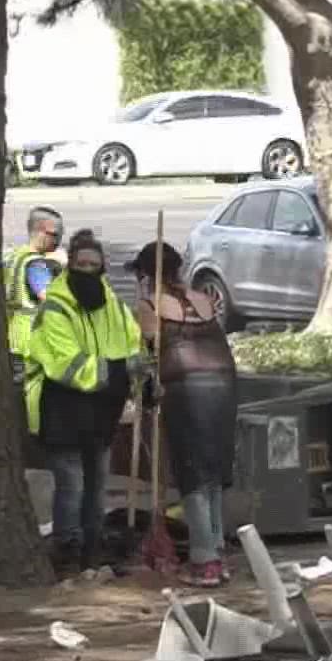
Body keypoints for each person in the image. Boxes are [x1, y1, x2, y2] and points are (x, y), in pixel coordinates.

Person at [25, 230, 144, 576]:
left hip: (102, 412)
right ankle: (68, 550)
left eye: (94, 265)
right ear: (70, 266)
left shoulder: (114, 306)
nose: (88, 271)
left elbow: (133, 343)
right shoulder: (55, 308)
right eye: (82, 264)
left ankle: (94, 547)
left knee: (96, 486)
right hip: (63, 410)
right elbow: (68, 366)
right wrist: (122, 370)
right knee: (72, 485)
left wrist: (142, 376)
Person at [130, 241, 240, 589]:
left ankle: (204, 558)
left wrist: (140, 381)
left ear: (146, 274)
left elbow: (150, 354)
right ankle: (218, 551)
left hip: (187, 387)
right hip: (223, 385)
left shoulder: (150, 306)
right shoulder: (204, 299)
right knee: (214, 469)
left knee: (192, 470)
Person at [5, 206, 64, 366]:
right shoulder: (36, 265)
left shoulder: (14, 257)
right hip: (33, 341)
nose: (58, 241)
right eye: (56, 235)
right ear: (41, 230)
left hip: (14, 336)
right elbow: (50, 299)